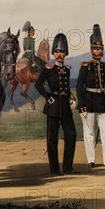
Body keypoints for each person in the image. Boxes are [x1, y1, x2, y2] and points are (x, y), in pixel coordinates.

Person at [35, 33, 78, 175]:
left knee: (71, 135)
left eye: (62, 52)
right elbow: (38, 85)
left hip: (65, 106)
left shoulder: (66, 70)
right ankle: (54, 170)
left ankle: (68, 167)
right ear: (53, 53)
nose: (59, 54)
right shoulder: (48, 69)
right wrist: (48, 97)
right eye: (57, 52)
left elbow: (65, 87)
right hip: (53, 107)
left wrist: (71, 97)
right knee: (52, 139)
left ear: (66, 54)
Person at [76, 24, 105, 169]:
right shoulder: (85, 66)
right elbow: (80, 87)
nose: (98, 51)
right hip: (88, 100)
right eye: (96, 49)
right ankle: (91, 160)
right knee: (89, 131)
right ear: (91, 50)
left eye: (100, 49)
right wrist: (81, 105)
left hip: (101, 101)